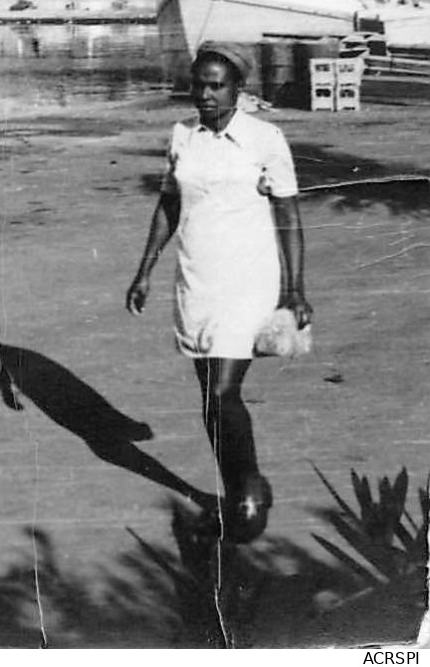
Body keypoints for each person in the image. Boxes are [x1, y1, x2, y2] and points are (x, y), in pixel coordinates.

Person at [124, 42, 313, 542]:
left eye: (216, 85)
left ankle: (248, 493)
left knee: (224, 392)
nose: (205, 95)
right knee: (210, 397)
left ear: (238, 89)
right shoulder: (182, 136)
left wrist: (295, 291)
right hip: (196, 280)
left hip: (248, 279)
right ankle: (239, 492)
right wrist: (145, 270)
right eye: (198, 85)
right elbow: (169, 204)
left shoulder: (264, 138)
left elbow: (288, 218)